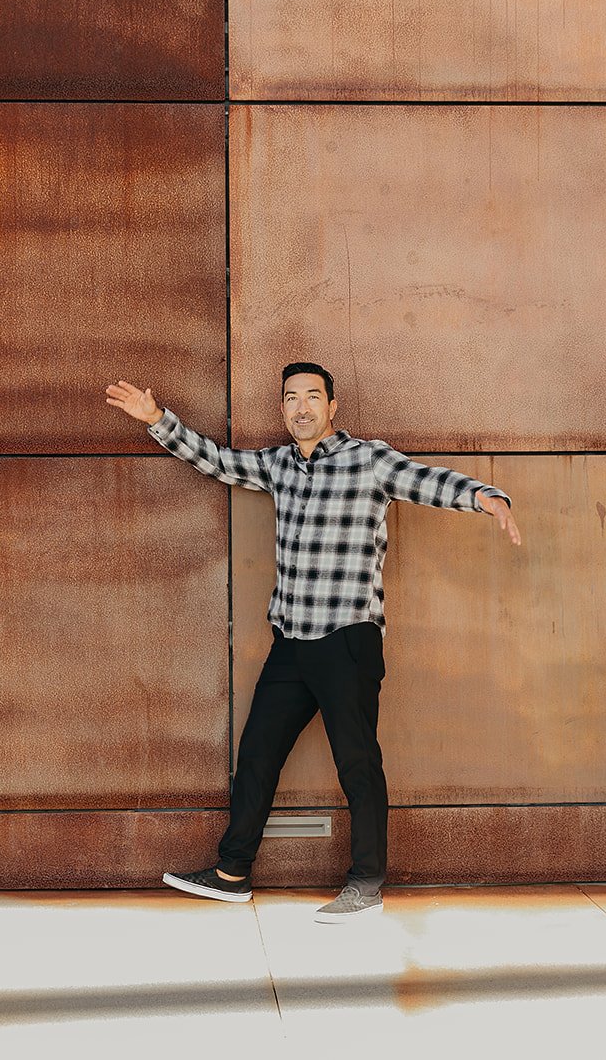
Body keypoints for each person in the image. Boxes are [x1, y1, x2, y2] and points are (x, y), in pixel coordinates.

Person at [104, 363, 520, 923]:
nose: (301, 407)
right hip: (291, 640)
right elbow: (220, 463)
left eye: (312, 397)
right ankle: (232, 873)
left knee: (357, 762)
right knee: (257, 754)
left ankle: (367, 884)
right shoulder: (278, 465)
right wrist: (157, 419)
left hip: (348, 638)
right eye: (291, 398)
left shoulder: (369, 459)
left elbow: (430, 481)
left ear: (332, 407)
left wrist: (487, 498)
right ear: (283, 409)